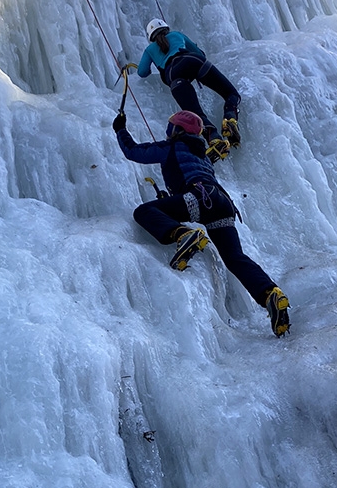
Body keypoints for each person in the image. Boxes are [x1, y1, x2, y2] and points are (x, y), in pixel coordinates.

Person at [112, 108, 289, 337]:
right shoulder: (202, 154)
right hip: (222, 203)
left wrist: (120, 129)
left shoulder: (172, 147)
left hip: (198, 198)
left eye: (170, 127)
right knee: (235, 258)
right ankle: (271, 294)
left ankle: (183, 236)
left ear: (176, 130)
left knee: (143, 211)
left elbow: (134, 152)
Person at [137, 19, 242, 162]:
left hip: (174, 75)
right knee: (231, 93)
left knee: (197, 115)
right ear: (166, 29)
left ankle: (215, 139)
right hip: (194, 60)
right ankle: (230, 118)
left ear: (151, 37)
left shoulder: (150, 49)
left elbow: (142, 72)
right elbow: (199, 52)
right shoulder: (176, 35)